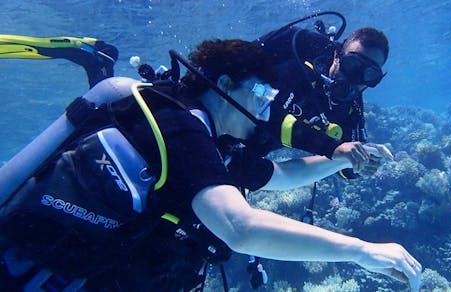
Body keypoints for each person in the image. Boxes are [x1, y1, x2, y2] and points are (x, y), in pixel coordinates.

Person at [0, 39, 422, 291]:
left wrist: (338, 158)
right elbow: (241, 228)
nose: (262, 110)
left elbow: (280, 176)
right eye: (259, 94)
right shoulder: (179, 126)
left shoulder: (210, 141)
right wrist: (362, 251)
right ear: (223, 86)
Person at [251, 16, 392, 178]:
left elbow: (345, 171)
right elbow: (265, 116)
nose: (354, 80)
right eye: (351, 65)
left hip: (249, 156)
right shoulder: (300, 69)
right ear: (337, 56)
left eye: (369, 75)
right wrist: (331, 147)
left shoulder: (351, 107)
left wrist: (362, 162)